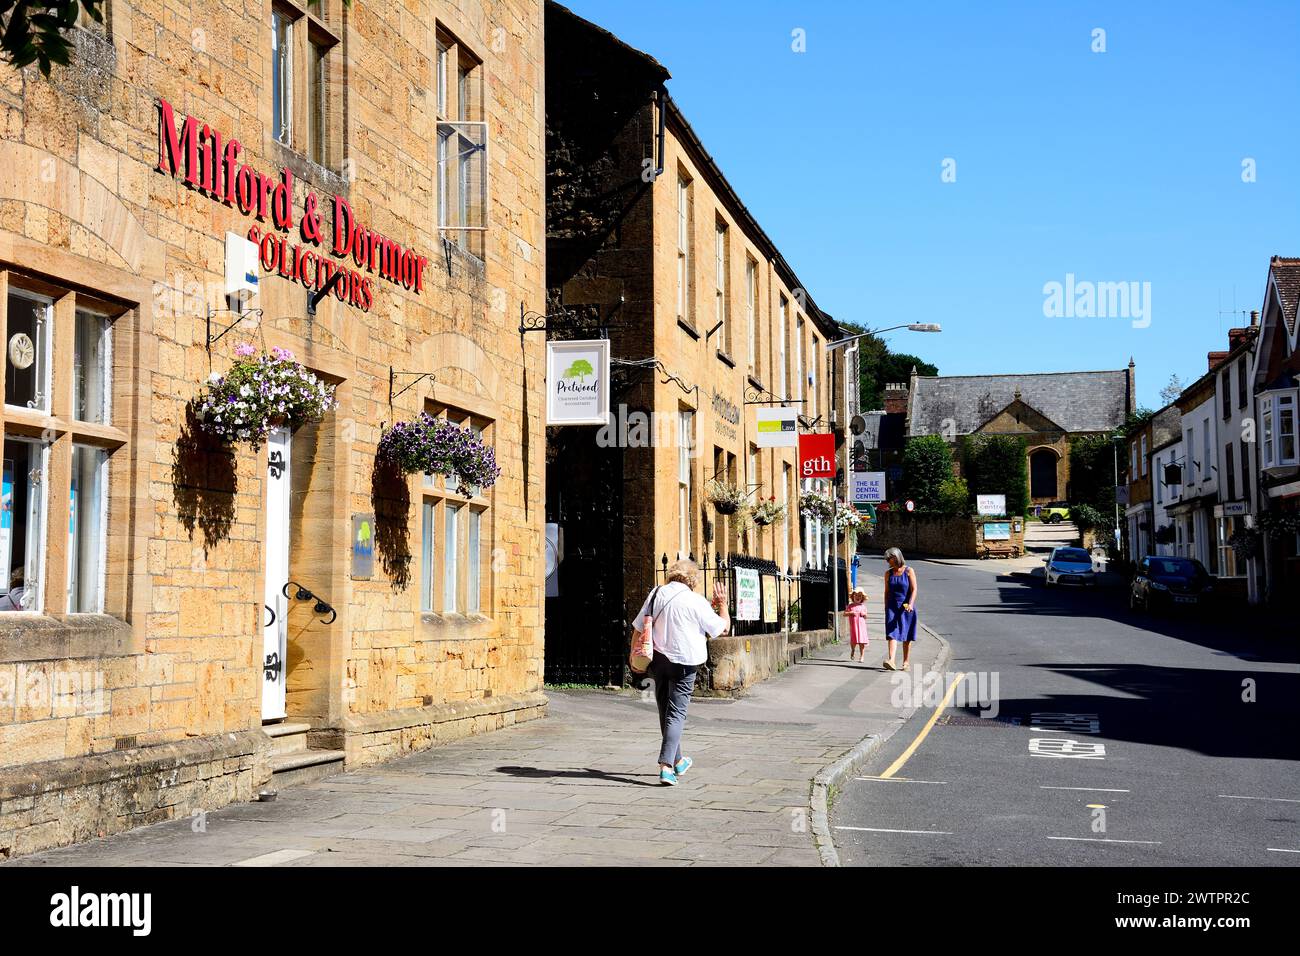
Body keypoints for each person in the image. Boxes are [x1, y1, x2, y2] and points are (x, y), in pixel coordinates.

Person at [630, 559, 730, 785]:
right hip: (685, 663)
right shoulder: (696, 601)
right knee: (676, 714)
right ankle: (666, 767)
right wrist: (722, 604)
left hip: (658, 660)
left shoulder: (656, 593)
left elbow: (638, 627)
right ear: (693, 580)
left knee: (665, 711)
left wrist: (632, 656)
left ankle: (678, 762)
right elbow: (723, 629)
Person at [882, 547, 918, 671]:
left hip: (906, 605)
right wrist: (886, 608)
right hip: (892, 606)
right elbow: (886, 593)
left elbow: (914, 590)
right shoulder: (888, 573)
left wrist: (911, 604)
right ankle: (891, 660)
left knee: (906, 634)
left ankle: (906, 661)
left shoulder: (909, 571)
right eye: (887, 559)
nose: (888, 561)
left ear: (896, 557)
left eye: (889, 559)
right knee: (891, 633)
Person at [846, 587, 870, 662]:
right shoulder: (850, 606)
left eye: (859, 596)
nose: (857, 597)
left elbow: (866, 616)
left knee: (861, 641)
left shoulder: (863, 607)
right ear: (853, 596)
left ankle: (862, 656)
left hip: (861, 628)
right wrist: (850, 613)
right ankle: (853, 650)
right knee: (854, 641)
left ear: (862, 598)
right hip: (854, 627)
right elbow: (844, 613)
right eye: (856, 595)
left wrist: (864, 615)